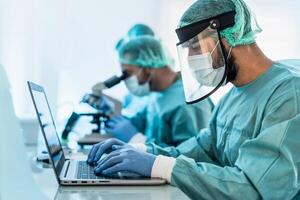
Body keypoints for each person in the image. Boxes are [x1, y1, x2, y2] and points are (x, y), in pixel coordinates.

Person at [87, 0, 300, 199]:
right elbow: (200, 150)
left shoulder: (288, 92)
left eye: (196, 47)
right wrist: (140, 151)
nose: (190, 60)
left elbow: (255, 189)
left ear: (228, 37)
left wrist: (161, 167)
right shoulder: (232, 98)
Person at [87, 35, 214, 153]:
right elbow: (141, 124)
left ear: (147, 67)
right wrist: (112, 111)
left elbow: (191, 156)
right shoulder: (157, 94)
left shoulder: (189, 102)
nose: (125, 80)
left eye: (127, 73)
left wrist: (137, 140)